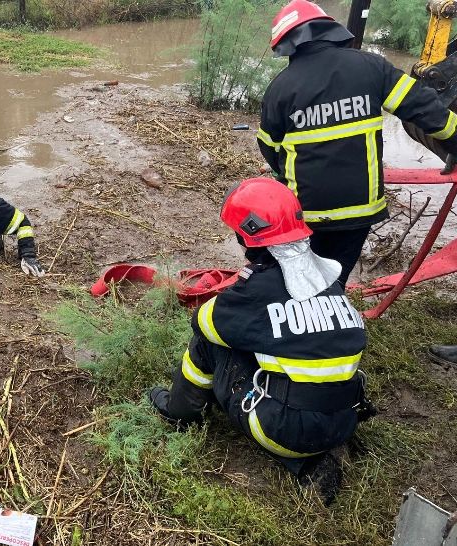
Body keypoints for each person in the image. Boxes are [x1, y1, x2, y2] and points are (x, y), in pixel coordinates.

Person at [149, 178, 373, 505]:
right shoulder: (328, 277)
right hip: (345, 417)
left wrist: (240, 287)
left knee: (209, 343)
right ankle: (314, 454)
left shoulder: (257, 289)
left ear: (247, 236)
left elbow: (204, 322)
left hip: (287, 428)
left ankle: (180, 412)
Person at [257, 0, 457, 286]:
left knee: (302, 276)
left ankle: (305, 318)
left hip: (307, 212)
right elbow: (425, 107)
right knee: (337, 277)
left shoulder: (280, 88)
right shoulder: (370, 66)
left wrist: (284, 175)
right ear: (329, 31)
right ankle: (334, 313)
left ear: (287, 45)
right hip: (360, 209)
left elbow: (270, 147)